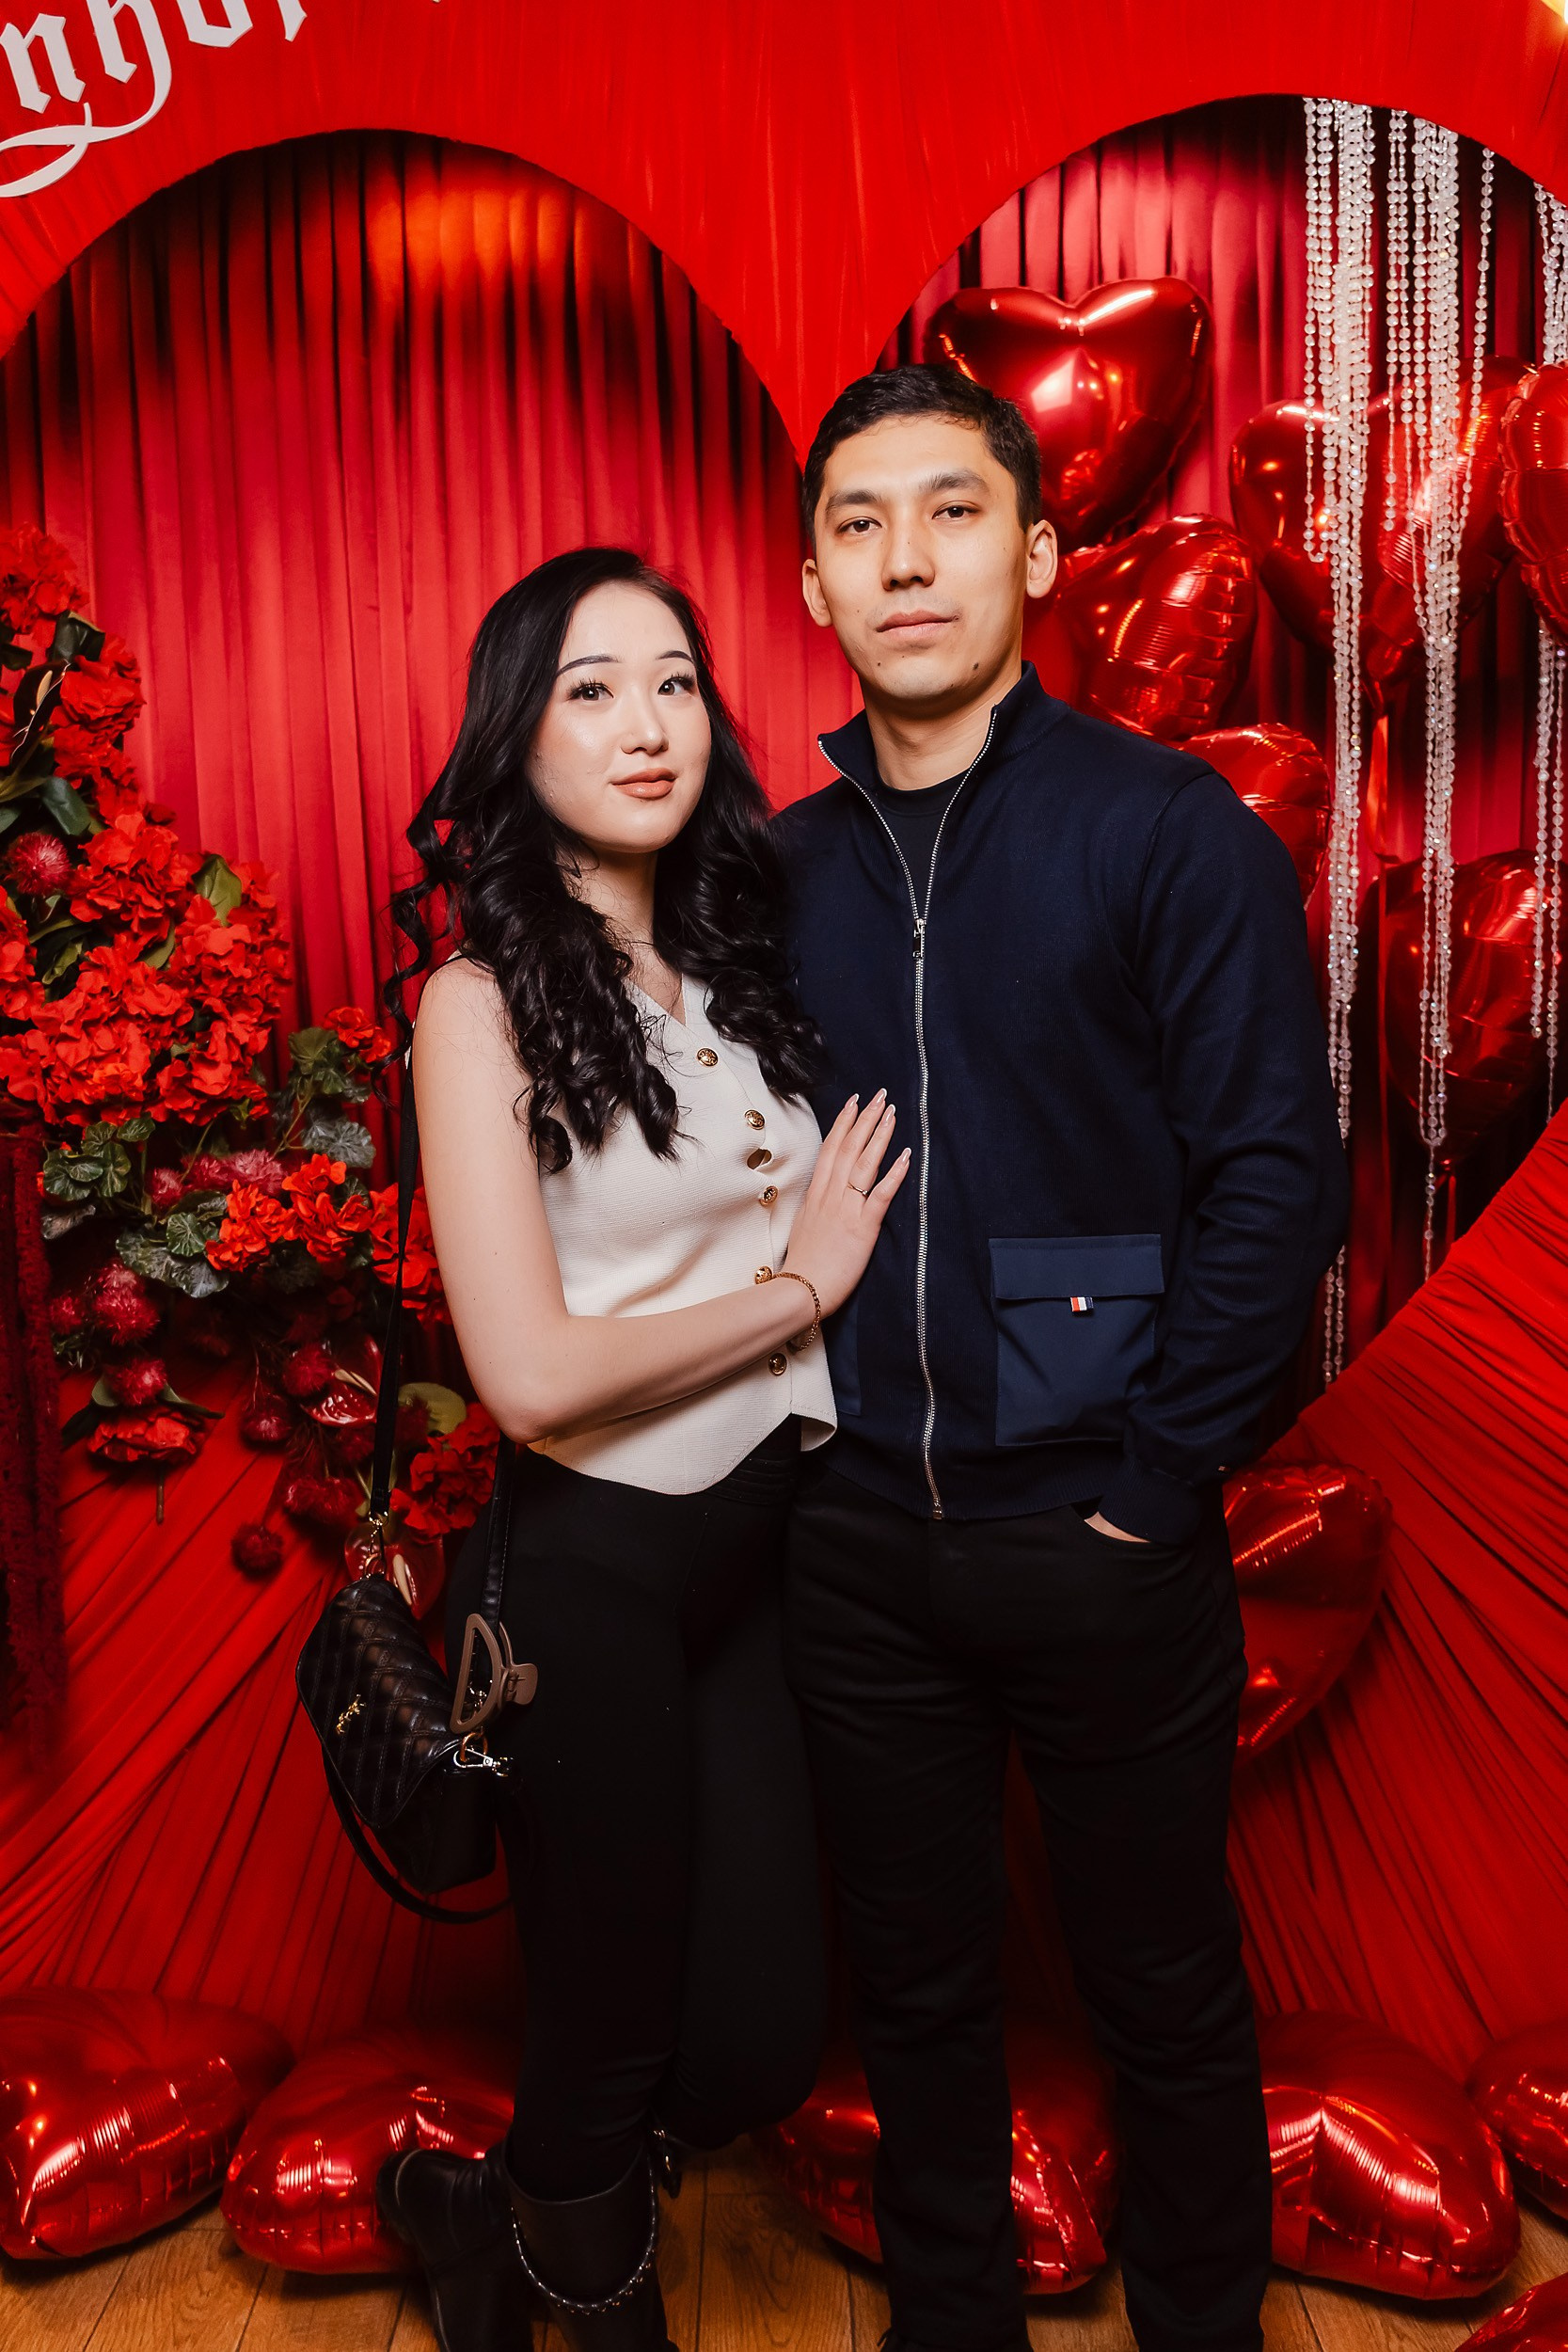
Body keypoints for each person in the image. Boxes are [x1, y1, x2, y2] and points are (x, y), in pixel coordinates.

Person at [776, 366, 1349, 2352]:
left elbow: (1278, 1175)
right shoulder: (772, 872)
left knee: (1161, 1985)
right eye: (859, 524)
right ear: (813, 583)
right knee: (914, 1992)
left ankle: (1205, 2329)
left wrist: (1154, 1479)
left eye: (952, 512)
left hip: (1104, 1526)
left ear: (1034, 553)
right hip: (855, 1543)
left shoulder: (1163, 829)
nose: (905, 559)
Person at [373, 545, 909, 2352]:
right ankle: (571, 2293)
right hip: (591, 1568)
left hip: (757, 1553)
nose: (647, 722)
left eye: (674, 680)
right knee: (605, 2033)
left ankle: (478, 2210)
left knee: (753, 2038)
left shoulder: (734, 962)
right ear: (515, 740)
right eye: (590, 690)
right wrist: (799, 1290)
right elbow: (526, 1376)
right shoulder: (477, 1003)